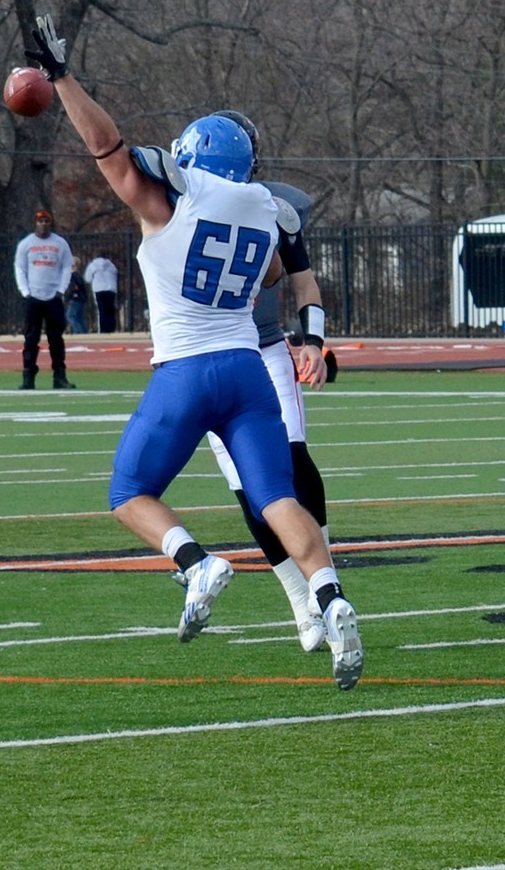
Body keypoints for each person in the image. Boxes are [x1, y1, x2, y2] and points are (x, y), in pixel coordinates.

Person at [25, 14, 363, 689]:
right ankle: (331, 598)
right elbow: (277, 277)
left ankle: (194, 562)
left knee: (129, 492)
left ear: (193, 157)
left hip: (185, 370)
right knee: (277, 496)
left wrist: (62, 78)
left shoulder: (167, 203)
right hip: (246, 372)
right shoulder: (267, 208)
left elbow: (106, 144)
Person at [201, 109, 336, 653]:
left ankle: (329, 589)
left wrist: (314, 341)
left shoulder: (278, 208)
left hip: (265, 345)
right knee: (248, 489)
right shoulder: (177, 208)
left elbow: (304, 282)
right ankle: (299, 600)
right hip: (206, 356)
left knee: (293, 460)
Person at [14, 209, 77, 388]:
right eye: (40, 221)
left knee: (56, 339)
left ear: (51, 223)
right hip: (33, 297)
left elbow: (66, 267)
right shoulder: (26, 244)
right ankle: (28, 377)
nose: (43, 225)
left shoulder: (60, 243)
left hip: (53, 298)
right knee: (31, 339)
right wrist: (25, 291)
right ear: (35, 223)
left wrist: (61, 290)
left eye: (46, 221)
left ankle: (59, 376)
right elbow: (20, 268)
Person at [84, 251, 120, 333]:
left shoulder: (93, 265)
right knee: (110, 310)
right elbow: (115, 274)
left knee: (101, 310)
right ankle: (111, 328)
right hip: (111, 289)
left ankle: (103, 329)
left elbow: (87, 278)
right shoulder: (111, 265)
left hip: (99, 289)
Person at [65, 267, 90, 334]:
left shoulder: (72, 276)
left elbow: (72, 287)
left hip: (75, 298)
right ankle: (84, 332)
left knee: (70, 316)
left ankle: (79, 331)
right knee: (79, 317)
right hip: (81, 298)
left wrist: (68, 297)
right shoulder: (78, 275)